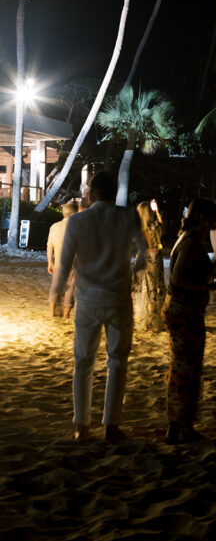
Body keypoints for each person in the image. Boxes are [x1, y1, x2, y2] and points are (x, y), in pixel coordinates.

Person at [53, 171, 146, 443]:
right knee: (117, 363)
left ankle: (82, 426)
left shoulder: (78, 221)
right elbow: (145, 251)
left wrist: (58, 294)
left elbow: (65, 263)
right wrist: (131, 270)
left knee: (83, 362)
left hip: (88, 300)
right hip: (118, 299)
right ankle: (111, 425)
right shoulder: (128, 216)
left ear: (92, 193)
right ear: (113, 191)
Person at [161, 198, 216, 444]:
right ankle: (176, 427)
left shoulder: (189, 239)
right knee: (185, 370)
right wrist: (205, 286)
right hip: (184, 311)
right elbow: (176, 280)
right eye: (213, 216)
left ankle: (181, 425)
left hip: (185, 311)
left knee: (186, 369)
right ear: (203, 218)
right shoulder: (190, 242)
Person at [134, 199, 166, 332]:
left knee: (147, 288)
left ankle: (149, 319)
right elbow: (162, 229)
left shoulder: (138, 229)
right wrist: (157, 212)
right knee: (157, 287)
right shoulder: (154, 226)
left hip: (144, 257)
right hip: (155, 256)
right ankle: (156, 321)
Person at [47, 201, 77, 318]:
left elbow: (50, 246)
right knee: (70, 288)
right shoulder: (77, 227)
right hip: (74, 263)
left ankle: (51, 312)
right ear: (74, 214)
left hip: (58, 262)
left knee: (55, 286)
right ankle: (66, 314)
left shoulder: (54, 227)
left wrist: (50, 262)